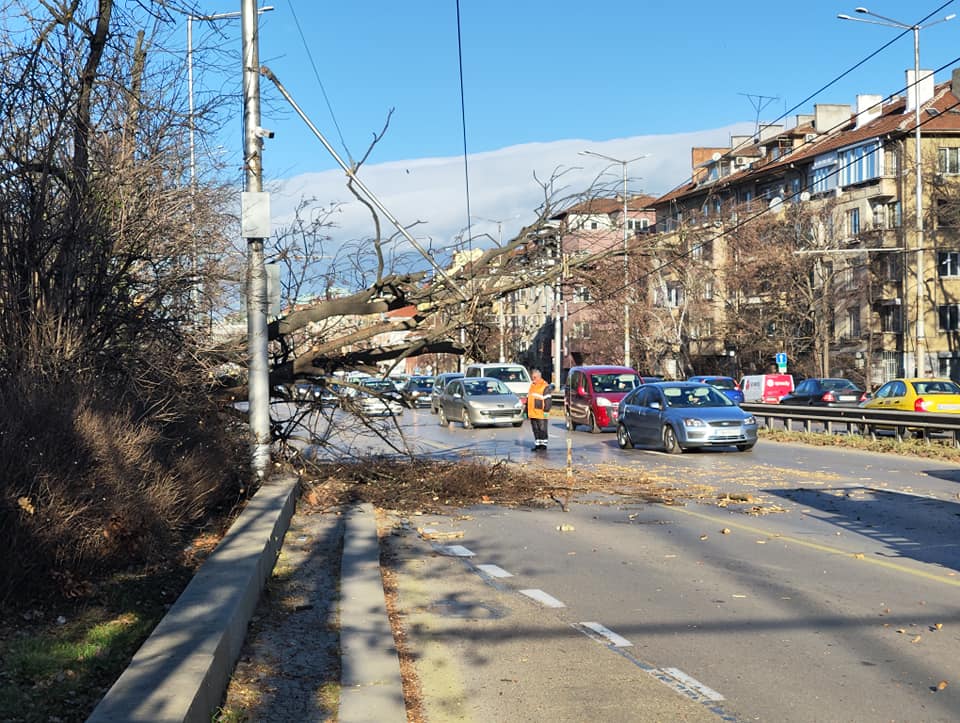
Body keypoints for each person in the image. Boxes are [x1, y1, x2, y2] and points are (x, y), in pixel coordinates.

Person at [527, 368, 551, 451]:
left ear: (539, 377)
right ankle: (537, 445)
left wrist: (546, 411)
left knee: (542, 429)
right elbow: (530, 398)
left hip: (541, 412)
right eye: (532, 377)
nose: (533, 379)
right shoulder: (532, 386)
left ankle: (543, 445)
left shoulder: (544, 386)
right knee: (535, 430)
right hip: (533, 412)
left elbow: (548, 400)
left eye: (534, 377)